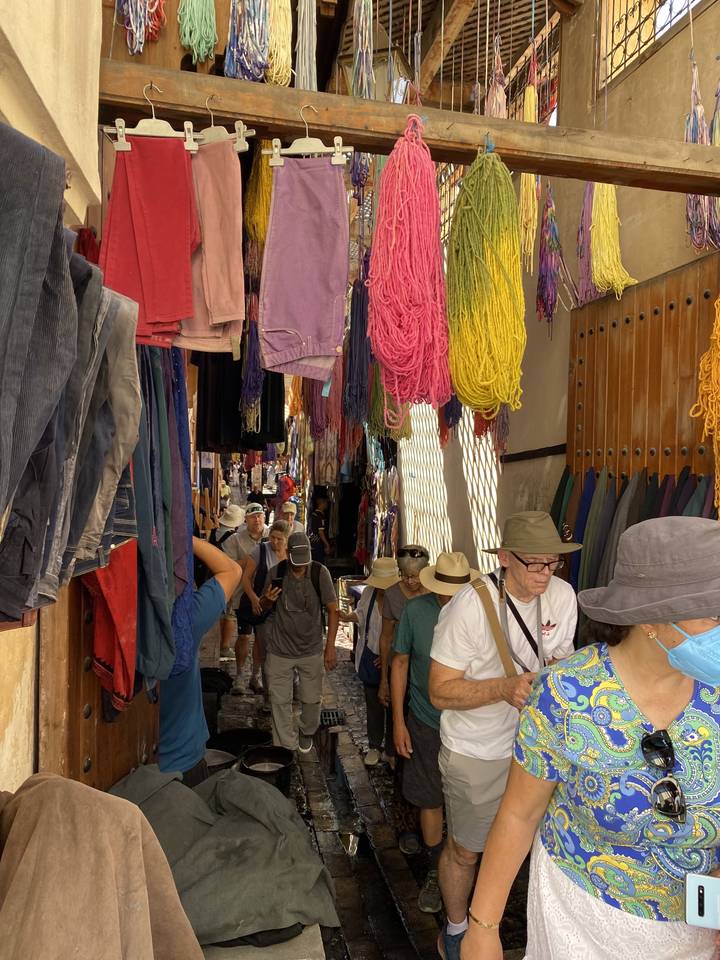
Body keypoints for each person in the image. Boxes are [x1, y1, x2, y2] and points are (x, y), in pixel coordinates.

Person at [462, 516, 720, 960]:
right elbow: (520, 814)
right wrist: (483, 927)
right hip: (582, 922)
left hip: (698, 928)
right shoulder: (567, 695)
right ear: (652, 620)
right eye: (713, 615)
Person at [429, 511, 580, 960]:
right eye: (534, 564)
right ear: (503, 557)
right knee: (466, 851)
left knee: (541, 850)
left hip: (538, 748)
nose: (544, 575)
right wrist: (502, 688)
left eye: (552, 564)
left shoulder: (564, 596)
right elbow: (439, 690)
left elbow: (560, 658)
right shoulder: (468, 607)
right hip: (477, 751)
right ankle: (456, 930)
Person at [392, 552, 478, 915]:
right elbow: (400, 662)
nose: (448, 596)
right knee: (430, 797)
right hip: (427, 721)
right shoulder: (416, 611)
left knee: (467, 801)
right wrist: (398, 720)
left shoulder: (479, 612)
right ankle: (433, 868)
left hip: (471, 724)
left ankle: (462, 866)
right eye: (442, 589)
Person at [159, 536, 242, 786]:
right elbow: (232, 570)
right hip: (184, 759)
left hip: (133, 771)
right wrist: (181, 533)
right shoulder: (185, 620)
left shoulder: (124, 623)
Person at [262, 532, 339, 752]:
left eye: (305, 561)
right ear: (287, 554)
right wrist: (267, 601)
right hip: (279, 649)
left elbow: (333, 610)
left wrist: (330, 646)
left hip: (311, 649)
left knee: (312, 701)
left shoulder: (318, 573)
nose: (301, 566)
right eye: (297, 562)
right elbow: (262, 607)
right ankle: (284, 750)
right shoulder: (276, 573)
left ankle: (306, 732)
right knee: (279, 702)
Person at [340, 557, 401, 767]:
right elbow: (361, 614)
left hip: (395, 662)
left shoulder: (403, 599)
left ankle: (392, 750)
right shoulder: (369, 594)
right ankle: (374, 746)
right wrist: (346, 618)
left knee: (394, 707)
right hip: (370, 656)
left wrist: (389, 657)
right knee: (373, 704)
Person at [236, 519, 290, 700]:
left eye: (279, 539)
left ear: (286, 540)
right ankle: (252, 678)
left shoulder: (291, 555)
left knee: (269, 644)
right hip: (261, 602)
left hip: (282, 607)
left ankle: (260, 678)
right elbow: (246, 577)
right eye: (272, 538)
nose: (275, 542)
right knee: (259, 640)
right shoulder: (261, 550)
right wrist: (253, 599)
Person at [378, 545, 430, 707]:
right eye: (404, 576)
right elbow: (386, 638)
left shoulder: (434, 593)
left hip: (426, 670)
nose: (409, 581)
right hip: (400, 668)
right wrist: (384, 680)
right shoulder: (392, 594)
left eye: (414, 576)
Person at [227, 502, 269, 695]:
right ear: (246, 520)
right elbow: (229, 566)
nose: (257, 520)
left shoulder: (271, 536)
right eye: (253, 517)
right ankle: (240, 675)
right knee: (244, 636)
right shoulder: (236, 540)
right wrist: (251, 559)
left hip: (266, 595)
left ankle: (255, 675)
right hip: (242, 595)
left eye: (260, 516)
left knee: (261, 638)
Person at [212, 503, 246, 659]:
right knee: (231, 613)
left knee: (222, 611)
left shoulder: (214, 532)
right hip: (230, 577)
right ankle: (224, 647)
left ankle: (222, 644)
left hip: (215, 576)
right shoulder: (233, 537)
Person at [308, 488, 331, 564]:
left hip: (312, 542)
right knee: (319, 564)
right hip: (317, 544)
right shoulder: (319, 516)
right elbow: (320, 532)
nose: (327, 505)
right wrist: (327, 544)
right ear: (322, 503)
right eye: (326, 503)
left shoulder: (313, 514)